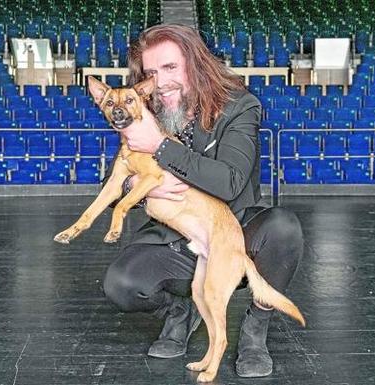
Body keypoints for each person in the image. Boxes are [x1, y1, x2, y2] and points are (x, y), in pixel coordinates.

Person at [101, 24, 304, 378]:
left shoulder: (240, 107)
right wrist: (137, 180)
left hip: (234, 232)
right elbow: (114, 182)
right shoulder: (144, 112)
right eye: (150, 72)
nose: (160, 82)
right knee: (120, 285)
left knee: (283, 228)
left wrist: (160, 148)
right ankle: (180, 312)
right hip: (175, 236)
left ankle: (256, 328)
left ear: (195, 64)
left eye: (170, 68)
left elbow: (229, 182)